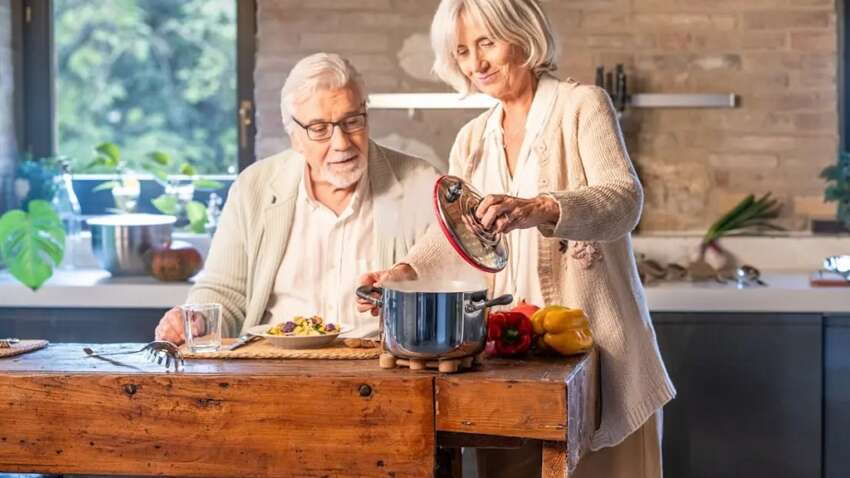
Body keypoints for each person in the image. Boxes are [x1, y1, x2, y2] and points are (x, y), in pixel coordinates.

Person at [358, 1, 675, 476]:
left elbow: (624, 200)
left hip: (595, 357)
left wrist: (541, 207)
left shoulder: (581, 106)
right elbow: (453, 238)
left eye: (486, 43)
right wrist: (403, 275)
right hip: (506, 361)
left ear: (523, 35)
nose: (475, 64)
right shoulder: (472, 138)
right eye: (462, 51)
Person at [155, 52, 437, 343]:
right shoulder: (253, 188)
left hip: (380, 372)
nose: (341, 143)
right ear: (294, 137)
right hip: (274, 372)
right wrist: (196, 318)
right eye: (319, 129)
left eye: (352, 122)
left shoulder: (421, 183)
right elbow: (225, 292)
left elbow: (454, 282)